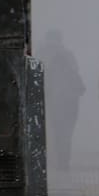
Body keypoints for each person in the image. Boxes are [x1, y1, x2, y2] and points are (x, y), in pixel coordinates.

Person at [36, 29, 85, 171]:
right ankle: (64, 161)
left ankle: (54, 160)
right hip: (70, 99)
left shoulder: (41, 54)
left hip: (51, 99)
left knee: (54, 130)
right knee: (66, 131)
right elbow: (75, 71)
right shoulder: (68, 54)